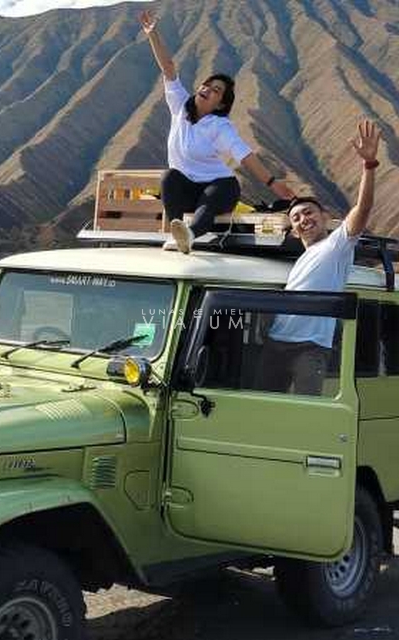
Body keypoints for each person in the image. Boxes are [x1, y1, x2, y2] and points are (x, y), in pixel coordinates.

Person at [139, 10, 295, 253]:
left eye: (216, 90)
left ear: (221, 104)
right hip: (187, 190)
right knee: (169, 177)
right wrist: (153, 35)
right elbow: (168, 68)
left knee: (213, 195)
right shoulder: (179, 105)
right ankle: (176, 231)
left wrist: (273, 183)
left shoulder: (220, 127)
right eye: (207, 85)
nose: (207, 89)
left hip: (219, 189)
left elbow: (245, 156)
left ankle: (189, 236)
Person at [259, 120, 382, 395]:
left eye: (310, 212)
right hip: (275, 343)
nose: (304, 219)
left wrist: (369, 165)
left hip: (311, 348)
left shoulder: (336, 245)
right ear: (292, 230)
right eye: (297, 217)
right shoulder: (299, 261)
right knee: (263, 407)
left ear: (326, 217)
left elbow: (363, 208)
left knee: (308, 413)